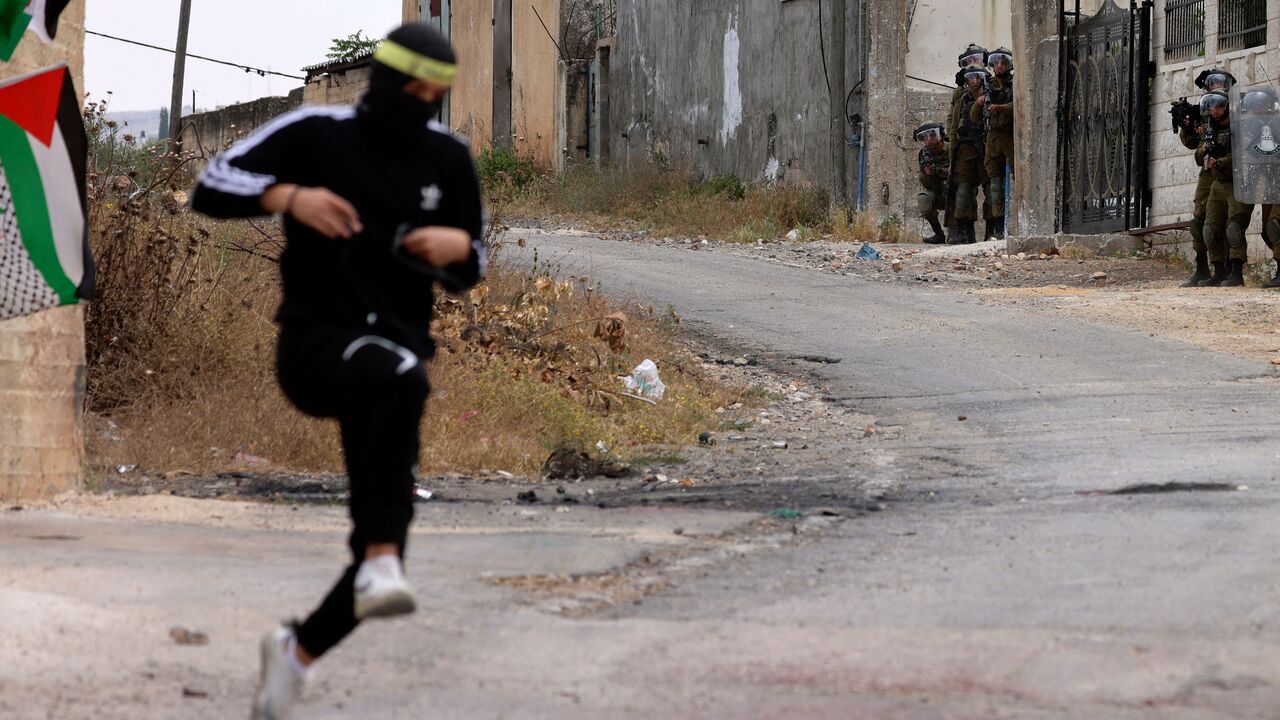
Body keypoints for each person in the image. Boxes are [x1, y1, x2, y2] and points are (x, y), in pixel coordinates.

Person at [189, 23, 485, 719]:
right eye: (413, 91)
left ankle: (294, 654)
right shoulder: (316, 133)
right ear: (386, 83)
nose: (423, 106)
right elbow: (211, 184)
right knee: (404, 380)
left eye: (434, 96)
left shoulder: (449, 156)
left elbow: (474, 262)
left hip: (395, 360)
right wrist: (287, 198)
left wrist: (455, 247)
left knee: (383, 571)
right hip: (317, 347)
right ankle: (379, 549)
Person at [1175, 68, 1235, 287]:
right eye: (1213, 82)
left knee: (1227, 222)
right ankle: (1202, 268)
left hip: (1229, 173)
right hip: (1208, 172)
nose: (1217, 86)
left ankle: (1229, 268)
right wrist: (1188, 127)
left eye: (1222, 81)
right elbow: (1193, 145)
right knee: (1198, 220)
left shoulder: (1234, 110)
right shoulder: (1205, 112)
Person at [1199, 89, 1250, 287]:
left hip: (1237, 181)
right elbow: (1198, 156)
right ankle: (1219, 271)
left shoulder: (1239, 126)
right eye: (1212, 106)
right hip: (1217, 183)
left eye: (1219, 105)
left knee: (1234, 228)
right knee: (1209, 229)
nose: (1215, 110)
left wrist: (1218, 163)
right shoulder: (1209, 128)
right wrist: (1204, 150)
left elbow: (1241, 154)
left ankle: (1236, 272)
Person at [974, 47, 1013, 240]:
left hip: (1010, 136)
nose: (999, 66)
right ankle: (998, 227)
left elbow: (1019, 105)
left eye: (1003, 63)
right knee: (995, 185)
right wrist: (979, 103)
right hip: (993, 137)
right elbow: (975, 117)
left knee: (1016, 181)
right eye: (996, 63)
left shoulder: (1015, 84)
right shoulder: (988, 85)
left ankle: (1013, 224)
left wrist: (1000, 108)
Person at [948, 65, 990, 244]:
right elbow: (953, 130)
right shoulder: (961, 102)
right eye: (970, 77)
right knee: (963, 190)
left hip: (987, 145)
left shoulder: (991, 97)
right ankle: (964, 232)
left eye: (977, 77)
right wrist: (952, 159)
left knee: (992, 189)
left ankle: (993, 230)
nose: (974, 81)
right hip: (965, 147)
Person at [915, 123, 950, 244]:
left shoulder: (951, 149)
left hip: (954, 192)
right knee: (923, 199)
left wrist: (937, 171)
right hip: (938, 192)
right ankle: (938, 234)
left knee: (961, 194)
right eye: (924, 137)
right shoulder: (924, 154)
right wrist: (928, 174)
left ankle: (957, 232)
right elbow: (927, 185)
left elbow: (956, 173)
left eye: (932, 135)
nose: (929, 140)